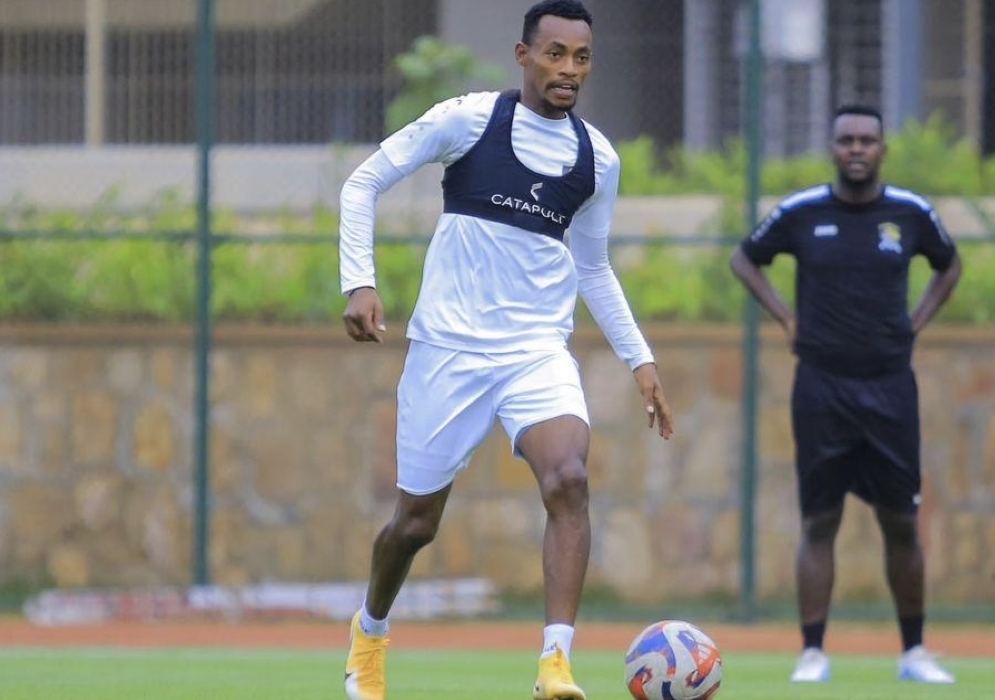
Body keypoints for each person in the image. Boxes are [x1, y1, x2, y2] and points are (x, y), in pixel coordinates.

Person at [337, 2, 674, 699]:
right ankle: (370, 634)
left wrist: (640, 360)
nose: (568, 70)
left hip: (534, 352)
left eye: (580, 58)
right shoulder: (467, 120)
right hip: (447, 352)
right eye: (555, 54)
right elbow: (362, 182)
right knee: (414, 525)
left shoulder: (596, 159)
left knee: (569, 479)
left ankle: (556, 665)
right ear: (524, 55)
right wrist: (359, 283)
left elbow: (593, 268)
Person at [729, 105, 962, 684]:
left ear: (882, 149)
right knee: (820, 521)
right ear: (832, 149)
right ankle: (812, 652)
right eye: (846, 140)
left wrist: (917, 320)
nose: (856, 148)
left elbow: (949, 266)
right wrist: (785, 317)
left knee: (901, 523)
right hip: (821, 387)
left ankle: (913, 652)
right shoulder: (802, 213)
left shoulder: (910, 213)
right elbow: (744, 259)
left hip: (890, 388)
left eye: (867, 140)